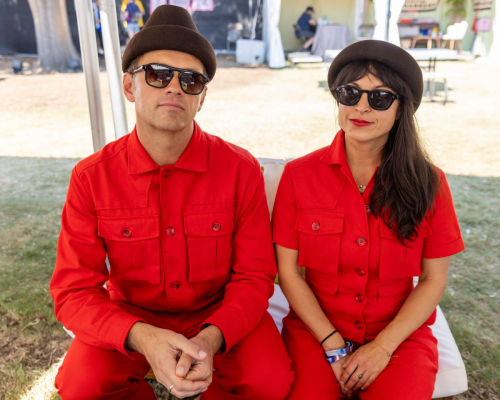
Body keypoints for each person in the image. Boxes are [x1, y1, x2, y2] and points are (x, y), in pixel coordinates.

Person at [50, 5, 293, 400]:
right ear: (130, 87)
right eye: (159, 75)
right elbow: (73, 290)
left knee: (269, 380)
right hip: (132, 316)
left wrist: (211, 340)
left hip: (218, 313)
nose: (175, 88)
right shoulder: (91, 177)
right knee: (82, 384)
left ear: (202, 98)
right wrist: (143, 337)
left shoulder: (240, 169)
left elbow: (254, 277)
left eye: (191, 80)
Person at [272, 40, 465, 399]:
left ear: (401, 108)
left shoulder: (430, 182)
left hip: (399, 334)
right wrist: (331, 343)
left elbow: (433, 279)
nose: (361, 107)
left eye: (379, 98)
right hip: (316, 330)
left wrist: (383, 347)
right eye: (350, 93)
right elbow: (288, 273)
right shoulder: (298, 175)